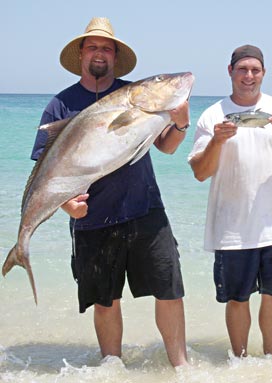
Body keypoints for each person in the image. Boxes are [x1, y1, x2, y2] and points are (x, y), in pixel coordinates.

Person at [31, 17, 190, 367]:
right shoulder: (60, 105)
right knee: (105, 301)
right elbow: (47, 173)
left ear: (115, 57)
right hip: (93, 220)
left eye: (107, 48)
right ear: (81, 54)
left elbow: (167, 146)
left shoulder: (136, 94)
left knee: (169, 290)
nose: (100, 53)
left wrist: (179, 122)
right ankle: (112, 369)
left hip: (146, 209)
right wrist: (65, 205)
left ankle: (182, 368)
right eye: (93, 47)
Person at [188, 45, 272, 357]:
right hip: (232, 227)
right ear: (230, 71)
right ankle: (240, 363)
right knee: (236, 298)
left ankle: (271, 362)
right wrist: (217, 140)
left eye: (255, 70)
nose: (248, 76)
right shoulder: (212, 115)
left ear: (263, 74)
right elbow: (201, 172)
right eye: (242, 69)